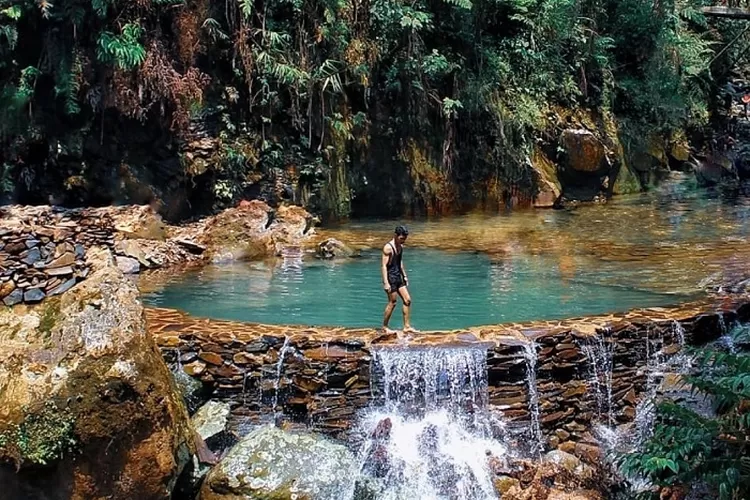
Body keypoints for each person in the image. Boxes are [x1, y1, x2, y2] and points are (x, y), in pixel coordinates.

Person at [381, 225, 416, 333]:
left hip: (398, 277)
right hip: (390, 277)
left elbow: (399, 262)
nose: (403, 240)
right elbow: (383, 266)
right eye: (401, 238)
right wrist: (386, 283)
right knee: (393, 302)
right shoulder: (388, 248)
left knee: (407, 300)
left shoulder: (400, 247)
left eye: (405, 238)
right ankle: (385, 327)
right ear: (396, 235)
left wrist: (404, 275)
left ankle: (406, 326)